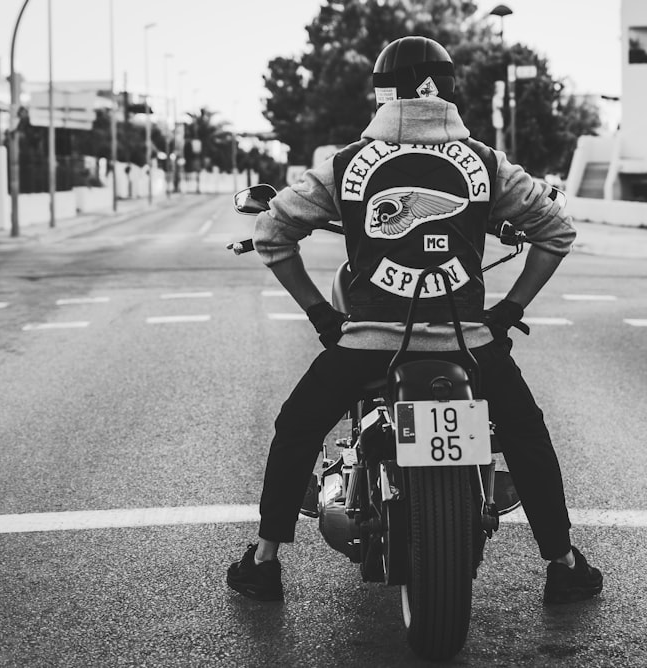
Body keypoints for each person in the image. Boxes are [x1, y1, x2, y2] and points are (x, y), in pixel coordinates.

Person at [227, 35, 603, 606]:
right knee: (526, 435)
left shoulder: (347, 165)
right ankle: (563, 562)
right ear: (448, 92)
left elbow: (273, 235)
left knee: (298, 427)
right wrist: (507, 311)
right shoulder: (484, 163)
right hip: (467, 344)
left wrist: (324, 317)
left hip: (367, 346)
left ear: (383, 95)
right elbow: (556, 232)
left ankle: (264, 560)